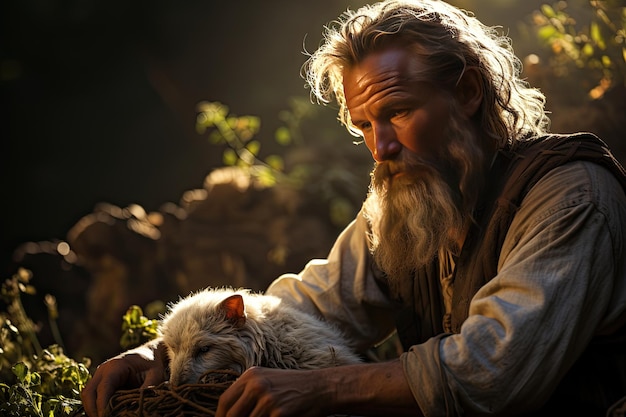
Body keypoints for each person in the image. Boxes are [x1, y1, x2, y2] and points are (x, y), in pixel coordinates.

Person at [81, 0, 626, 416]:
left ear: (467, 92)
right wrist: (161, 350)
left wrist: (324, 388)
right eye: (364, 125)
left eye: (399, 112)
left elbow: (495, 368)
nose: (381, 146)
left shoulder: (571, 196)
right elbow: (307, 308)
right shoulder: (415, 197)